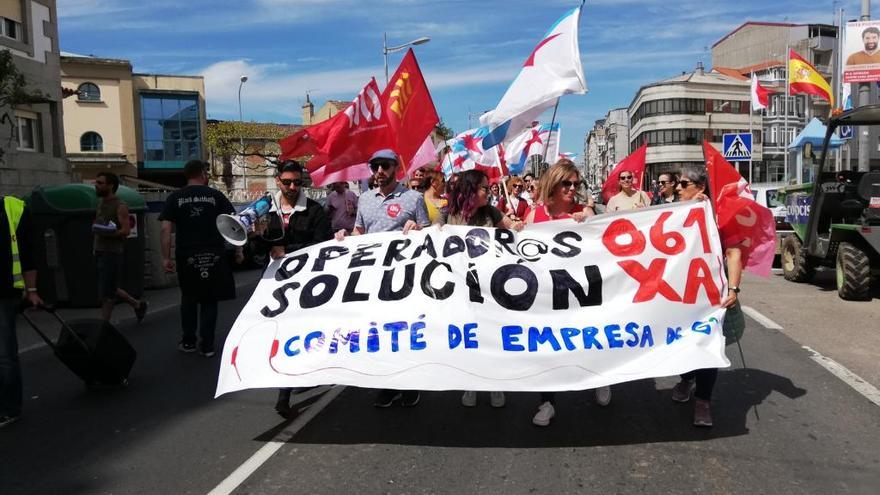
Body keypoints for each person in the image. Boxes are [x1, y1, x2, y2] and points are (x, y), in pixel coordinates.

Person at [335, 149, 430, 408]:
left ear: (395, 168)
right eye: (375, 165)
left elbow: (429, 233)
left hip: (404, 277)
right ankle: (387, 385)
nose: (379, 171)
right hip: (373, 277)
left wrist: (418, 228)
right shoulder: (364, 199)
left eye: (385, 166)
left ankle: (410, 384)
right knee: (379, 332)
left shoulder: (413, 198)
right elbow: (359, 231)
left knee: (404, 331)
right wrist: (346, 236)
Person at [522, 159, 608, 427]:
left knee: (589, 338)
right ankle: (547, 402)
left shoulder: (585, 211)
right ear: (553, 184)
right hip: (547, 295)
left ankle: (600, 377)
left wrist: (589, 222)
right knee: (546, 348)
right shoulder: (535, 216)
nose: (572, 188)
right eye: (566, 184)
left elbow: (604, 248)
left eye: (576, 184)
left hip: (582, 292)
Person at [669, 166, 744, 427]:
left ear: (700, 187)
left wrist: (733, 288)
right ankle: (687, 378)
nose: (677, 188)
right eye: (677, 183)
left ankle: (703, 402)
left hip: (708, 296)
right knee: (681, 343)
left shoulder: (719, 217)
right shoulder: (670, 211)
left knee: (707, 344)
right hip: (675, 296)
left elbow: (733, 253)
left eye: (684, 183)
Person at [445, 170, 523, 409]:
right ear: (470, 190)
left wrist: (518, 225)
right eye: (483, 188)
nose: (488, 192)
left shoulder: (491, 212)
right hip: (462, 287)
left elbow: (513, 227)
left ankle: (494, 383)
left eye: (489, 188)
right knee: (470, 336)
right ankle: (472, 382)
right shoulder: (450, 215)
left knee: (490, 335)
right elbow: (430, 236)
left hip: (490, 287)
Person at [267, 161, 333, 419]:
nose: (293, 187)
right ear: (278, 181)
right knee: (279, 334)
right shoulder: (266, 209)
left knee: (295, 334)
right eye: (287, 182)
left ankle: (284, 394)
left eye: (298, 182)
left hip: (306, 281)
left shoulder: (315, 211)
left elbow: (321, 244)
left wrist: (288, 251)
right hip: (273, 282)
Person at [159, 161, 242, 358]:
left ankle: (188, 342)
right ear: (203, 174)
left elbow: (165, 229)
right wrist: (239, 250)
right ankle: (207, 345)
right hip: (214, 254)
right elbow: (235, 223)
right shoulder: (215, 196)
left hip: (187, 255)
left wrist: (165, 257)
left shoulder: (175, 197)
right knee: (209, 300)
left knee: (188, 298)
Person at [0, 195, 43, 428]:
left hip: (4, 293)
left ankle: (8, 408)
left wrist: (32, 289)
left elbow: (27, 253)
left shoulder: (14, 208)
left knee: (4, 355)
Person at [93, 172, 148, 323]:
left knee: (107, 292)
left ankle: (104, 325)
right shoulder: (100, 203)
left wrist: (107, 232)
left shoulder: (120, 205)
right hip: (99, 250)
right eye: (96, 182)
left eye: (100, 183)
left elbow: (126, 230)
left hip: (112, 252)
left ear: (110, 185)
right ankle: (137, 305)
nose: (96, 185)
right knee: (109, 287)